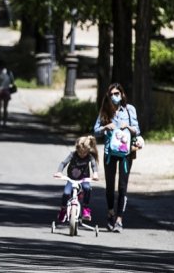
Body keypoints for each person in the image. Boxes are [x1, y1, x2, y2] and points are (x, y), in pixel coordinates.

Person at [93, 83, 140, 233]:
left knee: (122, 186)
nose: (114, 97)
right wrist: (105, 127)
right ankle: (110, 213)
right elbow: (95, 131)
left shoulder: (129, 109)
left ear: (122, 94)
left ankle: (119, 219)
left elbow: (137, 130)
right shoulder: (105, 110)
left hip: (125, 152)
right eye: (112, 94)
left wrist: (128, 127)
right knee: (110, 186)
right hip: (109, 152)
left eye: (117, 93)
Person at [53, 136, 100, 223]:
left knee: (87, 188)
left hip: (84, 179)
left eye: (84, 153)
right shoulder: (73, 154)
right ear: (77, 149)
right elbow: (64, 163)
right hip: (71, 179)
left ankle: (86, 208)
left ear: (88, 151)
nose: (82, 155)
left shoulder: (89, 156)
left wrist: (95, 174)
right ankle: (63, 209)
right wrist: (59, 172)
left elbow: (94, 165)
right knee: (66, 193)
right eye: (80, 152)